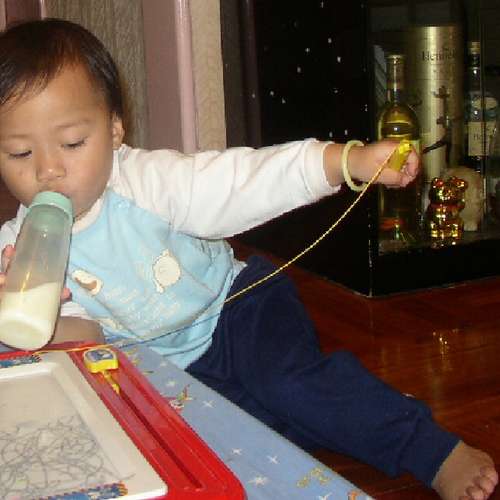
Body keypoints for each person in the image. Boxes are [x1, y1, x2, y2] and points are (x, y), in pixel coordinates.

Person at [0, 18, 496, 500]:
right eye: (20, 153)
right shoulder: (17, 251)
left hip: (238, 309)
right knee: (226, 439)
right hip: (168, 369)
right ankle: (352, 407)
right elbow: (86, 338)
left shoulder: (148, 183)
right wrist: (38, 318)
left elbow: (244, 181)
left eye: (72, 143)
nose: (48, 170)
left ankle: (430, 449)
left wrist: (343, 161)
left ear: (113, 129)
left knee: (288, 383)